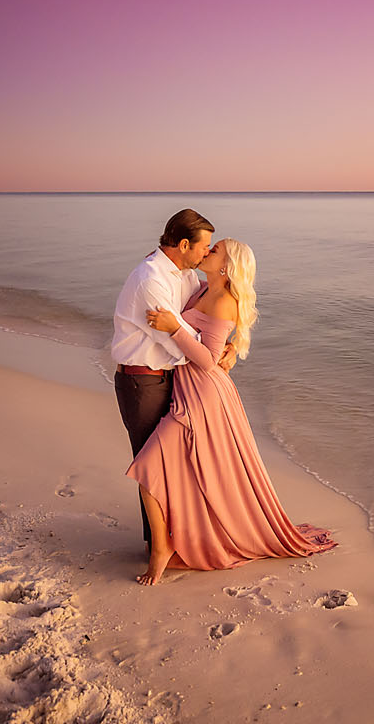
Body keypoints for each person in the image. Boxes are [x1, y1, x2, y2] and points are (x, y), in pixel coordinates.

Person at [126, 237, 335, 583]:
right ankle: (169, 542)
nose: (208, 251)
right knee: (174, 468)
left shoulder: (223, 300)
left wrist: (174, 328)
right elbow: (215, 341)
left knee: (149, 465)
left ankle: (162, 549)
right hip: (187, 390)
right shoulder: (200, 291)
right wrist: (233, 347)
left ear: (227, 266)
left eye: (216, 249)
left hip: (203, 395)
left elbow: (208, 360)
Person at [110, 209, 236, 545]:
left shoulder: (184, 274)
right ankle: (157, 545)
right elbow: (180, 341)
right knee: (151, 465)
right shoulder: (151, 280)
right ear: (183, 244)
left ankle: (179, 540)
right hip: (142, 382)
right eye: (204, 247)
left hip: (172, 381)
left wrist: (231, 344)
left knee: (176, 464)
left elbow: (202, 318)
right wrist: (212, 351)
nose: (207, 253)